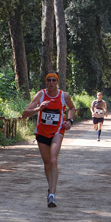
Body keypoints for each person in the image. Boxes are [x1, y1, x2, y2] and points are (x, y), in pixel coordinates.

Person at [22, 72, 76, 208]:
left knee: (53, 160)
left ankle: (52, 194)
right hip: (41, 132)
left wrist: (70, 120)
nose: (51, 83)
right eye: (48, 80)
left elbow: (72, 108)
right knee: (47, 162)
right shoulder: (40, 95)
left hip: (57, 131)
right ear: (46, 82)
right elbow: (24, 114)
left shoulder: (64, 96)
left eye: (54, 80)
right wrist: (39, 108)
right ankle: (50, 188)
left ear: (57, 82)